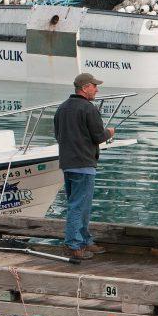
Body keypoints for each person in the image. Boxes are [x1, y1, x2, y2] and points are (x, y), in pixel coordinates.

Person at [53, 73, 114, 261]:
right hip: (84, 164)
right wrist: (109, 132)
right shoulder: (89, 109)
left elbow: (58, 135)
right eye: (94, 86)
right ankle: (73, 245)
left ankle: (85, 240)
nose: (97, 90)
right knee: (78, 206)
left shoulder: (62, 108)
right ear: (85, 87)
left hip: (68, 164)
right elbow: (98, 136)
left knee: (81, 205)